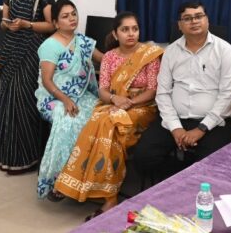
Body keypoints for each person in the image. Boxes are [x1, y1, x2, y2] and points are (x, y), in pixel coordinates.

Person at [53, 12, 163, 213]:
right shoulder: (109, 57)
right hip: (115, 104)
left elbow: (152, 90)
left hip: (142, 107)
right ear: (115, 34)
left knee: (109, 123)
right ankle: (96, 189)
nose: (131, 33)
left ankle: (106, 195)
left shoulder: (149, 54)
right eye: (125, 29)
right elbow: (102, 90)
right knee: (99, 120)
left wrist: (129, 102)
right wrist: (114, 99)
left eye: (135, 29)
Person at [127, 1, 231, 190]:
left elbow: (228, 95)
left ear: (207, 20)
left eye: (198, 16)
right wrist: (175, 128)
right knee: (144, 157)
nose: (194, 21)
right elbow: (163, 93)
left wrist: (201, 129)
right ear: (179, 25)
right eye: (187, 18)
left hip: (213, 123)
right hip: (174, 120)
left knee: (213, 165)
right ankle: (178, 182)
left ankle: (191, 184)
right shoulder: (171, 52)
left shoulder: (225, 50)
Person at [0, 0, 55, 172]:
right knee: (8, 101)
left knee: (24, 101)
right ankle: (8, 157)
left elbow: (51, 25)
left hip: (32, 50)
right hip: (11, 48)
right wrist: (8, 24)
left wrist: (27, 24)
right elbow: (3, 21)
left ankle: (28, 157)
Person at [35, 0, 102, 199]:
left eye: (74, 13)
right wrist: (65, 100)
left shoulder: (83, 41)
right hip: (53, 97)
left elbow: (104, 59)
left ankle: (87, 177)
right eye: (65, 16)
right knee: (69, 121)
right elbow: (47, 81)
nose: (72, 18)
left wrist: (128, 57)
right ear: (56, 23)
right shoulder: (49, 46)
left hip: (81, 94)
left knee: (100, 116)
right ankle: (60, 180)